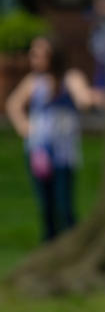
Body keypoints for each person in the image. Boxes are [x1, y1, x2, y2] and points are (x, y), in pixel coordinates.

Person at [5, 35, 95, 242]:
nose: (34, 58)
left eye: (39, 53)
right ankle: (50, 243)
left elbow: (83, 99)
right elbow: (13, 104)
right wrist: (24, 127)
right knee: (46, 205)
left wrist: (91, 98)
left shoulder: (69, 78)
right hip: (39, 151)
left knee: (64, 203)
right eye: (33, 53)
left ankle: (71, 243)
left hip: (63, 151)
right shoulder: (33, 82)